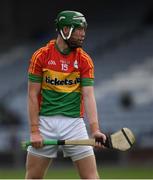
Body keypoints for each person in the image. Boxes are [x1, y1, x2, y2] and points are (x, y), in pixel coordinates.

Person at [25, 10, 106, 179]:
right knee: (33, 177)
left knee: (91, 177)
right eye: (79, 29)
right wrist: (34, 131)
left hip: (74, 124)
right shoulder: (41, 56)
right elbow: (32, 95)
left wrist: (95, 130)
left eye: (84, 29)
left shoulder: (84, 60)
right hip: (45, 122)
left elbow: (89, 96)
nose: (83, 34)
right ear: (65, 29)